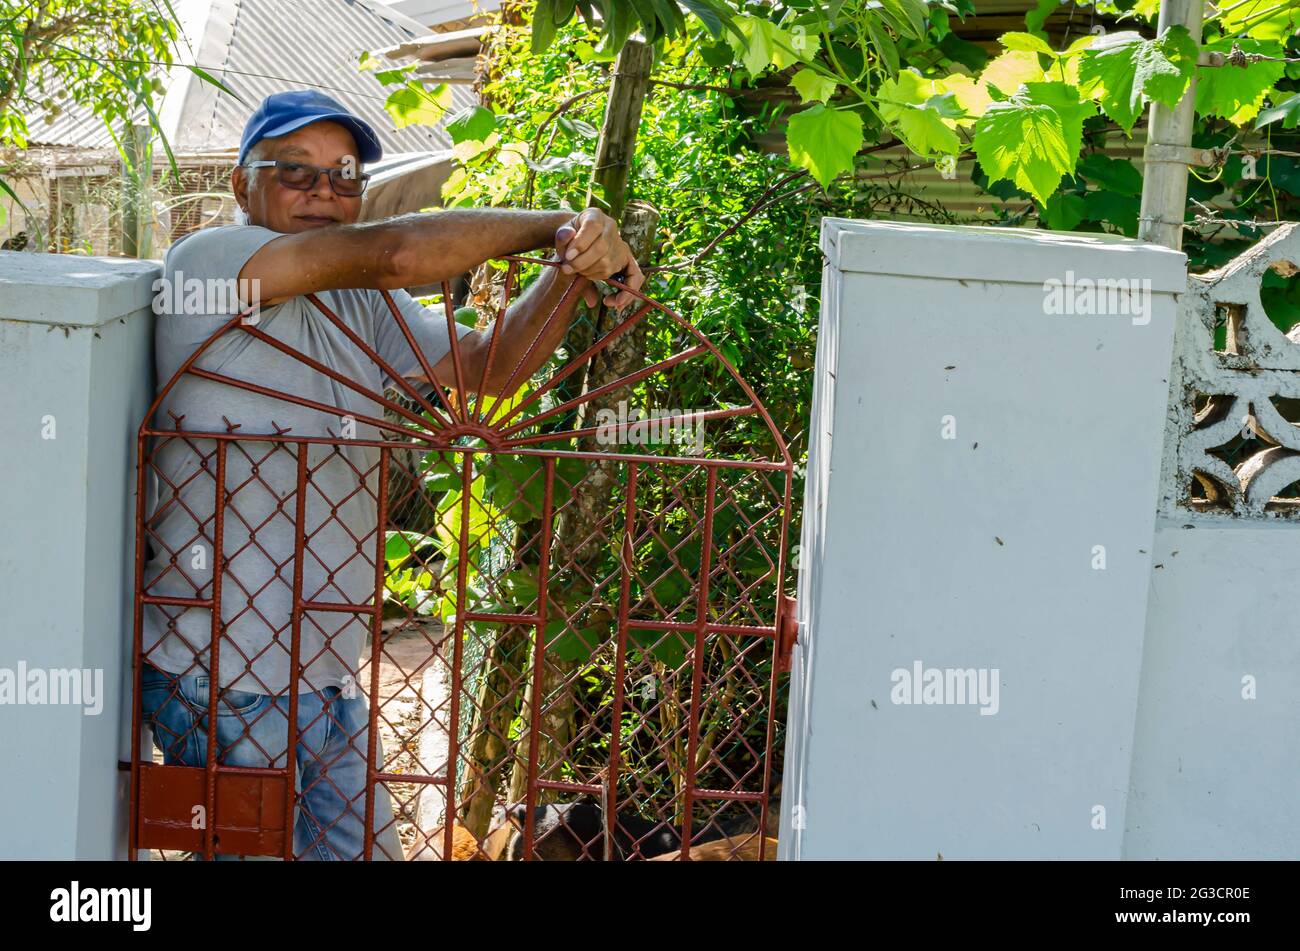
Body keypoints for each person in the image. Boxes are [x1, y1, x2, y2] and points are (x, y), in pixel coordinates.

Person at [137, 89, 644, 860]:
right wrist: (553, 224)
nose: (324, 193)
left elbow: (489, 369)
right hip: (221, 673)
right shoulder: (209, 264)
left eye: (344, 178)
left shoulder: (357, 305)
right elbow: (399, 251)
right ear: (244, 185)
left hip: (326, 677)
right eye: (295, 172)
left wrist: (573, 268)